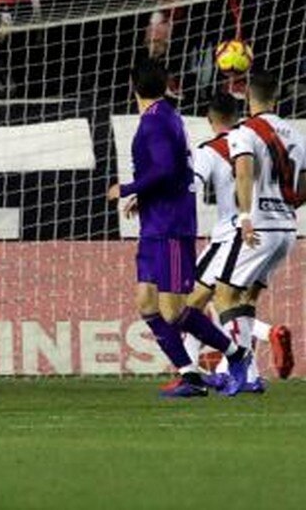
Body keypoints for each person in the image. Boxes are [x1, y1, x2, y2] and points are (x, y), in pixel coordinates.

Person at [107, 58, 253, 398]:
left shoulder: (156, 122)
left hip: (170, 225)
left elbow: (165, 168)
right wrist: (143, 197)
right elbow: (174, 171)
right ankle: (191, 374)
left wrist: (128, 189)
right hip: (156, 222)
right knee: (146, 303)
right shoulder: (164, 117)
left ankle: (238, 354)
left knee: (173, 309)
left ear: (133, 86)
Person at [184, 93, 294, 390]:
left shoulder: (209, 149)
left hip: (230, 234)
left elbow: (192, 186)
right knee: (241, 301)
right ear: (238, 114)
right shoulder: (254, 139)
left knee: (192, 304)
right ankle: (247, 374)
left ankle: (193, 373)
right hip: (268, 229)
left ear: (209, 120)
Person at [222, 75, 305, 384]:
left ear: (248, 99)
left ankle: (269, 335)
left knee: (222, 297)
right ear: (276, 98)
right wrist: (284, 208)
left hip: (257, 227)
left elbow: (243, 174)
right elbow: (303, 187)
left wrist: (245, 216)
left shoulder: (244, 131)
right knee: (246, 299)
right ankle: (246, 375)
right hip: (286, 229)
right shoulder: (297, 134)